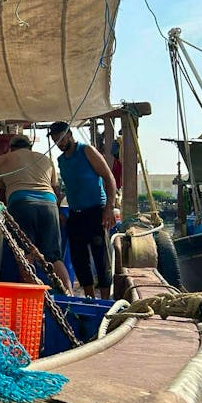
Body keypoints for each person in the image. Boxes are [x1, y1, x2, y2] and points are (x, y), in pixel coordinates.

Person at [0, 134, 72, 294]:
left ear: (12, 148)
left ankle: (34, 296)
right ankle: (69, 295)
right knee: (54, 257)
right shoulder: (44, 158)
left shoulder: (4, 159)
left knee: (25, 255)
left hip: (21, 204)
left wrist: (1, 213)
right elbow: (55, 191)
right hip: (49, 205)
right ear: (30, 147)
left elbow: (1, 197)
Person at [48, 121, 118, 299]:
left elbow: (108, 177)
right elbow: (68, 188)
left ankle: (105, 300)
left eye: (62, 139)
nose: (60, 143)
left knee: (100, 257)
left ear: (70, 134)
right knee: (79, 260)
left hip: (96, 211)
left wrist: (109, 208)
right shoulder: (61, 161)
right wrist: (59, 210)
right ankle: (89, 298)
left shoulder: (87, 151)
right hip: (75, 214)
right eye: (56, 141)